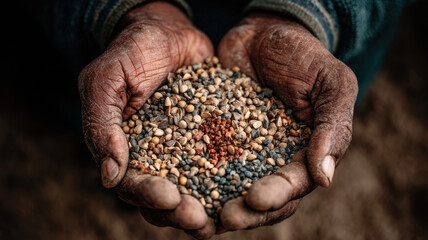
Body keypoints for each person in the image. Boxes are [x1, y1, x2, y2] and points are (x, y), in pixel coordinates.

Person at [31, 0, 411, 238]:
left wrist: (313, 12)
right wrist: (127, 8)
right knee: (98, 108)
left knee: (313, 115)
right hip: (123, 44)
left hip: (311, 43)